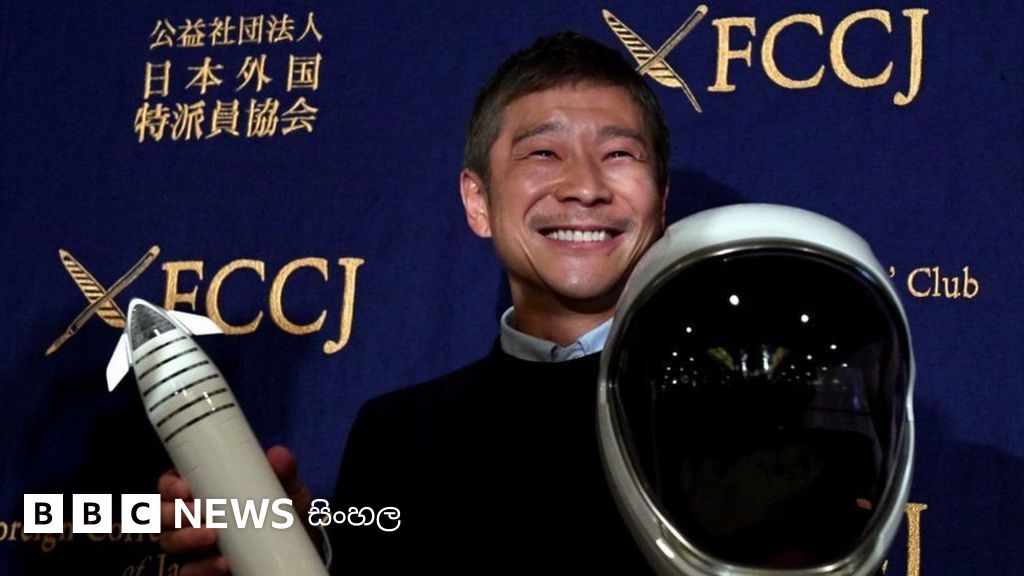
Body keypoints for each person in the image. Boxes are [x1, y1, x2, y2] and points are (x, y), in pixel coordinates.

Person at [158, 31, 670, 574]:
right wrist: (295, 557)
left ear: (661, 203)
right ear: (478, 201)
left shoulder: (725, 401)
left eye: (619, 153)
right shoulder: (397, 434)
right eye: (544, 153)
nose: (586, 187)